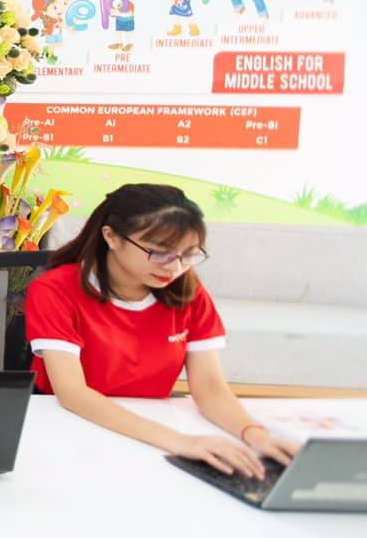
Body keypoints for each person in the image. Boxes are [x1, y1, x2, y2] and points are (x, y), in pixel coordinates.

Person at [25, 183, 295, 477]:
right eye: (159, 252)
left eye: (188, 254)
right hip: (70, 429)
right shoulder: (54, 290)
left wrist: (255, 435)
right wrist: (181, 442)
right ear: (111, 237)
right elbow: (73, 394)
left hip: (149, 430)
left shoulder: (188, 292)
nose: (175, 267)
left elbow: (209, 388)